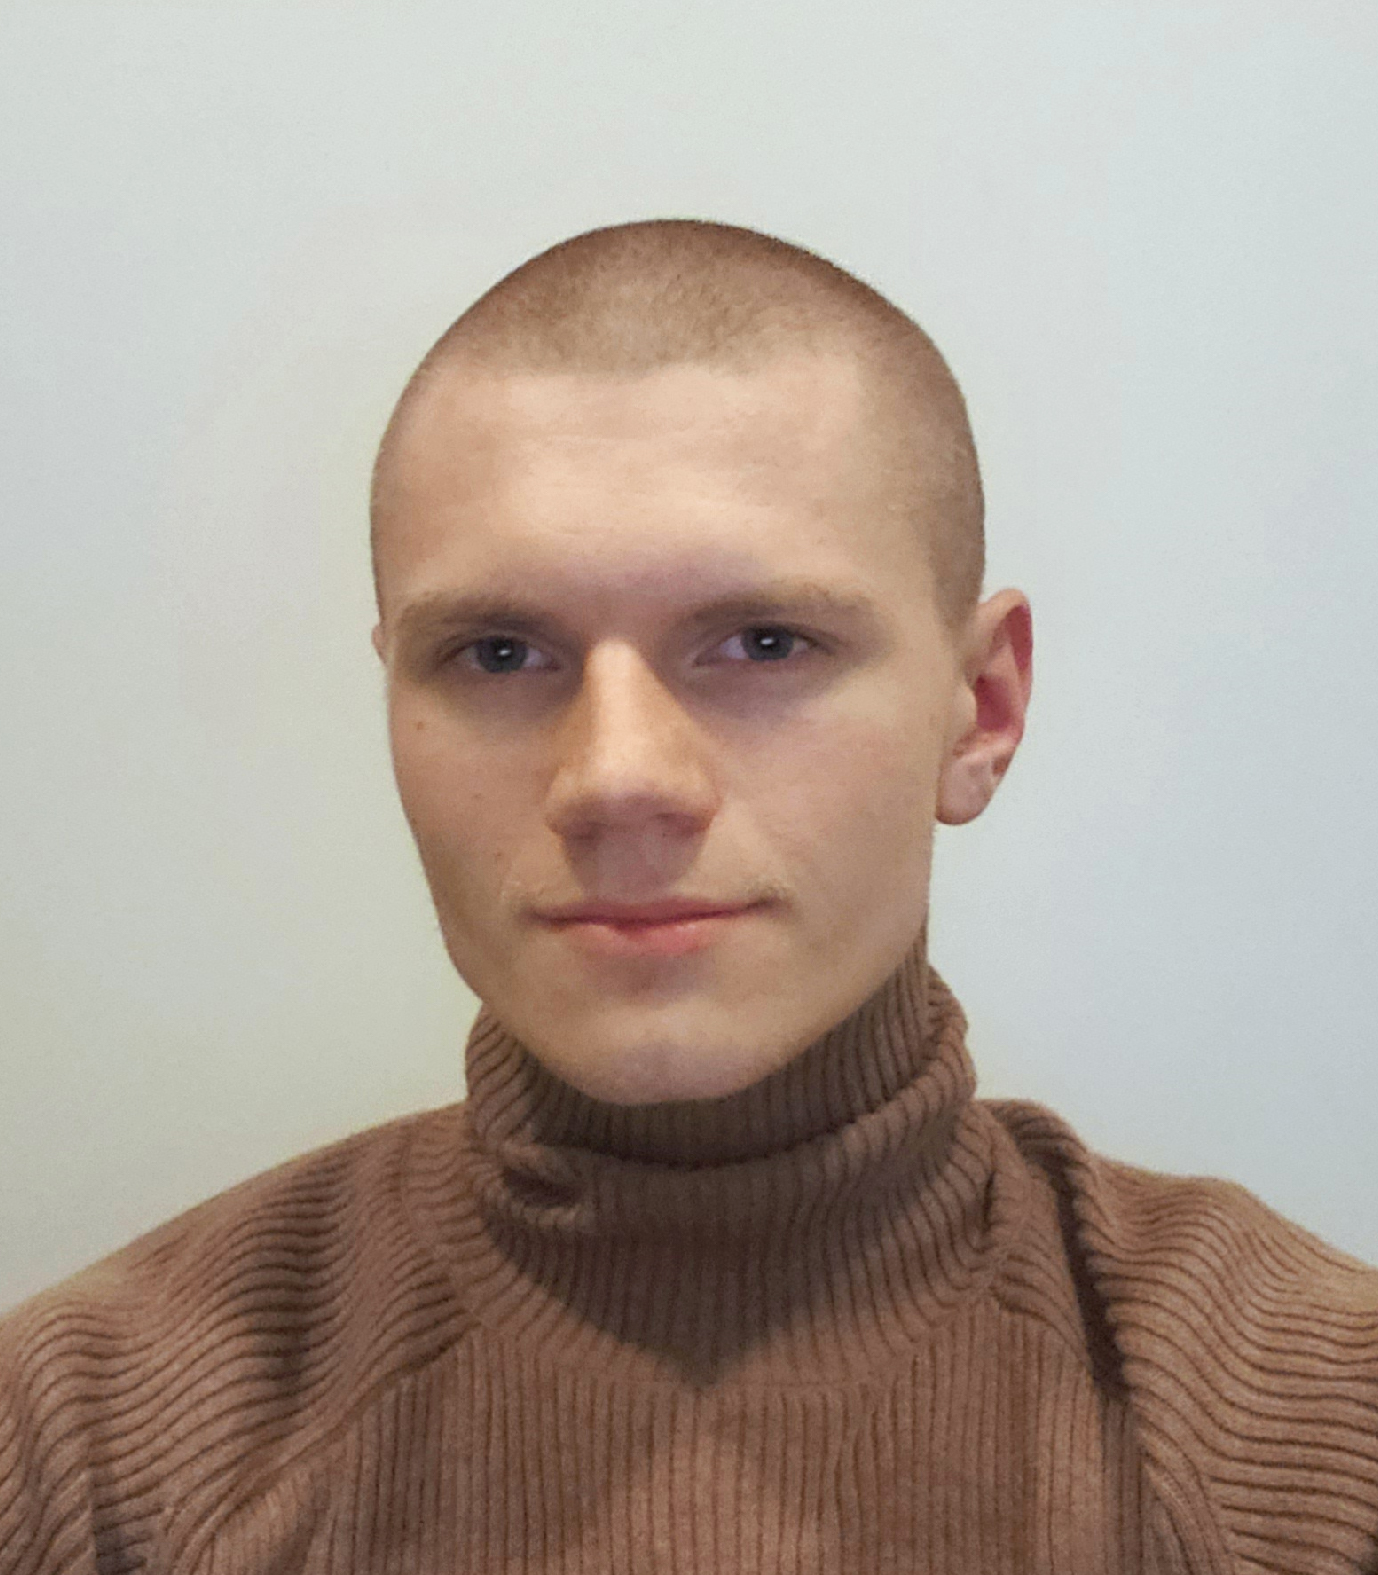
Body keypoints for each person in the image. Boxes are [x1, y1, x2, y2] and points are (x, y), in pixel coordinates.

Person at [1, 219, 1375, 1574]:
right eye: (497, 654)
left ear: (981, 709)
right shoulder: (85, 1447)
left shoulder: (1311, 1429)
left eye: (764, 642)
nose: (616, 779)